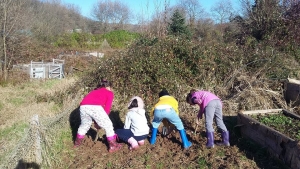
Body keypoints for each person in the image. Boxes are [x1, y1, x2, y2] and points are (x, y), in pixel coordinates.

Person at [74, 78, 122, 153]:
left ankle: (77, 144)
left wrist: (97, 122)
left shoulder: (94, 91)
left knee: (85, 125)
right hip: (95, 107)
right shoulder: (109, 93)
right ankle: (113, 146)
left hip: (83, 107)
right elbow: (107, 108)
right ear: (108, 86)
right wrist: (101, 121)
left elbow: (90, 106)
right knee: (108, 125)